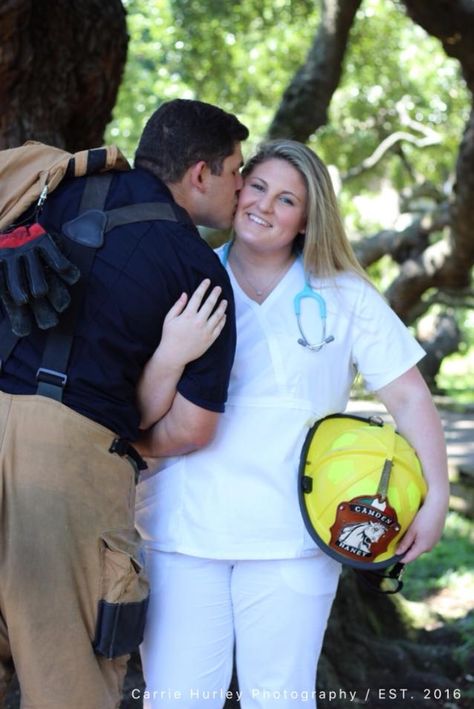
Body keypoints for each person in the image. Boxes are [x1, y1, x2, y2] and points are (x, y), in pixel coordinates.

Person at [135, 139, 449, 708]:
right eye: (256, 187)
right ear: (235, 187)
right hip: (181, 531)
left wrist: (438, 497)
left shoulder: (345, 294)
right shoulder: (183, 274)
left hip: (293, 538)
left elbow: (408, 397)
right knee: (178, 700)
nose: (264, 206)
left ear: (307, 219)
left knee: (279, 699)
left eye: (287, 200)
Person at [0, 99, 248, 709]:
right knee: (70, 682)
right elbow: (191, 428)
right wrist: (109, 429)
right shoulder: (199, 272)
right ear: (200, 174)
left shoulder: (48, 186)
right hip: (66, 477)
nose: (242, 189)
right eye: (236, 171)